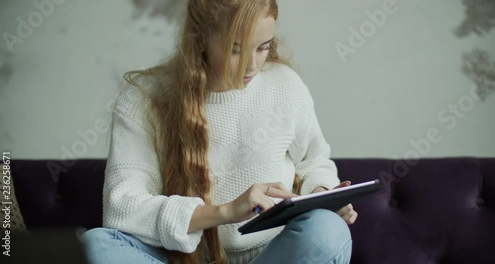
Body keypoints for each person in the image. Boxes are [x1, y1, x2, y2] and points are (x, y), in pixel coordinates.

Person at [80, 0, 357, 263]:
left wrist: (323, 193)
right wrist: (223, 213)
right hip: (179, 259)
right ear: (200, 37)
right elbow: (122, 207)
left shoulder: (285, 85)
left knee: (328, 231)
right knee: (96, 246)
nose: (252, 66)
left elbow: (315, 162)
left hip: (274, 256)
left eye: (262, 47)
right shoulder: (143, 97)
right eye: (236, 49)